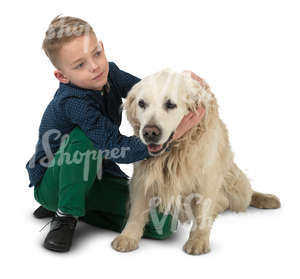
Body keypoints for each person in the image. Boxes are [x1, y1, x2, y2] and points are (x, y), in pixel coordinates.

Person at [25, 15, 205, 252]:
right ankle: (65, 214)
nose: (94, 66)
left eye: (96, 53)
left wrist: (180, 90)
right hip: (54, 179)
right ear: (62, 76)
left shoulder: (110, 74)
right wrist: (173, 134)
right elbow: (114, 146)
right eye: (80, 64)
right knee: (83, 138)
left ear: (102, 47)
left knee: (163, 224)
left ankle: (82, 206)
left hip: (98, 175)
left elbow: (146, 94)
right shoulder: (73, 102)